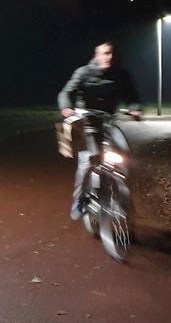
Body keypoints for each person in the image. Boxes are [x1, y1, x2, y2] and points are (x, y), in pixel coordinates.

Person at [58, 41, 143, 220]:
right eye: (104, 53)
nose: (108, 57)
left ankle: (120, 189)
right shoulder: (84, 72)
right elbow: (66, 93)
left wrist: (135, 108)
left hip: (109, 121)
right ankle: (79, 200)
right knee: (90, 159)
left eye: (111, 53)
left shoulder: (121, 74)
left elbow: (132, 95)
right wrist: (67, 108)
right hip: (89, 121)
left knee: (124, 154)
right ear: (97, 56)